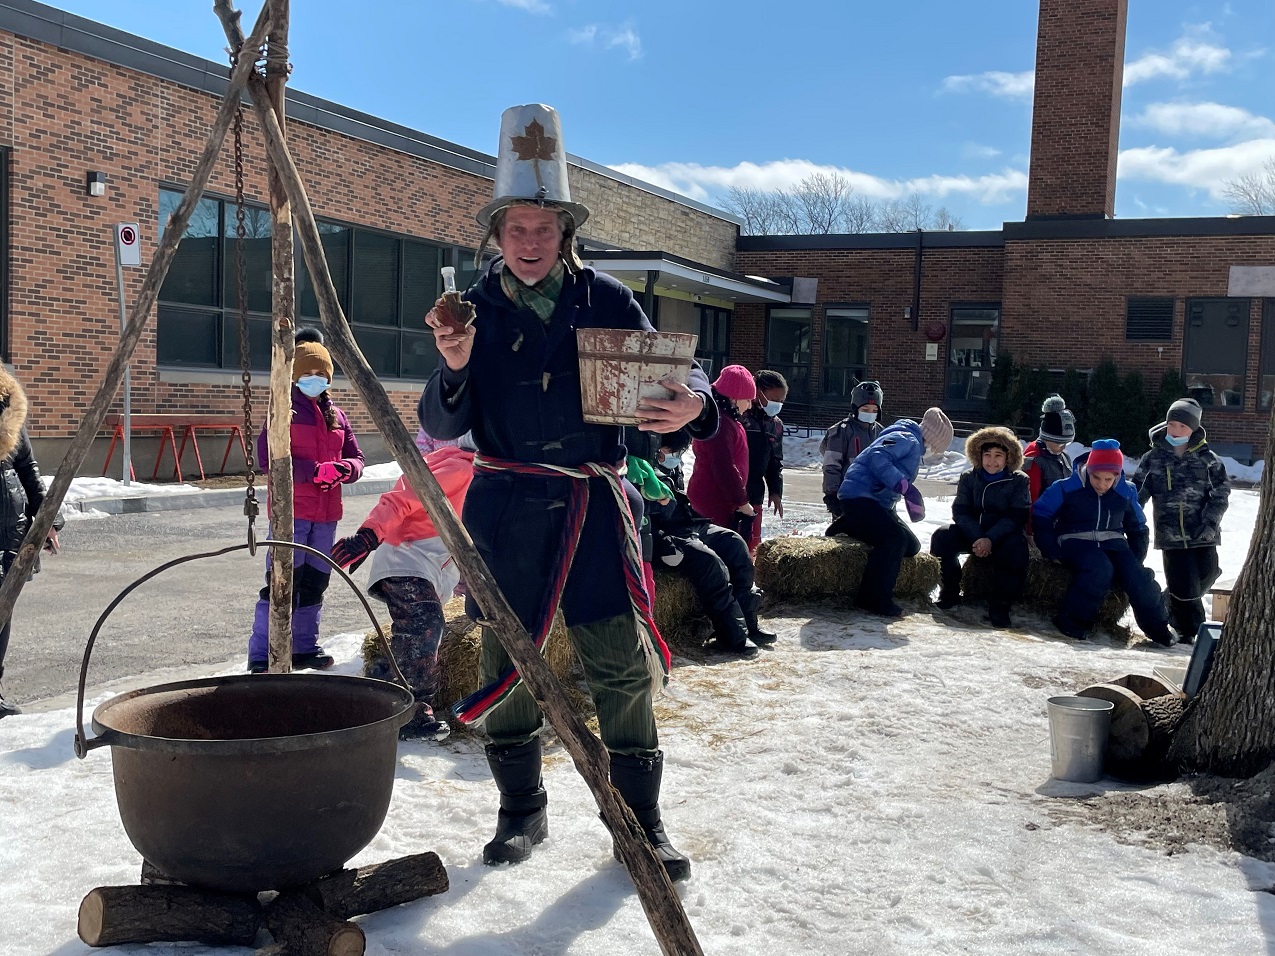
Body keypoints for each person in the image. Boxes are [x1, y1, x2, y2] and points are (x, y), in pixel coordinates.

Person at [418, 104, 715, 881]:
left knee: (618, 661)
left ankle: (640, 822)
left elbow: (678, 386)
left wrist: (698, 408)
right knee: (505, 662)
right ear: (496, 233)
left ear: (565, 234)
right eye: (515, 228)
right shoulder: (468, 313)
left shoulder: (609, 300)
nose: (528, 242)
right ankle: (521, 810)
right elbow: (439, 421)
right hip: (508, 510)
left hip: (592, 510)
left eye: (542, 229)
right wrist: (453, 366)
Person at [330, 438, 477, 741]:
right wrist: (368, 536)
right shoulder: (460, 469)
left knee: (412, 636)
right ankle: (412, 711)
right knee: (425, 626)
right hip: (407, 558)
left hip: (425, 562)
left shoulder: (472, 468)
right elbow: (402, 497)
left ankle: (378, 686)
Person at [246, 327, 364, 674]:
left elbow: (357, 457)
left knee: (314, 583)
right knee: (282, 581)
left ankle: (304, 647)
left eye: (320, 374)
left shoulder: (337, 415)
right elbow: (270, 459)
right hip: (292, 513)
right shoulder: (282, 411)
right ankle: (262, 653)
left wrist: (346, 468)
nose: (314, 379)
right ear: (294, 376)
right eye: (306, 373)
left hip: (327, 514)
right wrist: (314, 471)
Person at [1032, 439, 1176, 646]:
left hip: (1114, 543)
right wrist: (1051, 549)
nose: (1101, 484)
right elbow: (1041, 515)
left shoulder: (1125, 492)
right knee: (1099, 568)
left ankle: (1159, 629)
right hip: (1075, 540)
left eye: (1108, 479)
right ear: (1088, 469)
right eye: (1096, 477)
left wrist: (1135, 558)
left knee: (1139, 578)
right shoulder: (1065, 488)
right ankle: (1071, 621)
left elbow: (1138, 528)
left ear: (1117, 475)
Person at [650, 429, 774, 657]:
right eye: (669, 450)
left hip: (685, 523)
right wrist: (662, 540)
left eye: (677, 451)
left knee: (734, 543)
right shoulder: (641, 466)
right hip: (663, 533)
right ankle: (732, 635)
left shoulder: (670, 464)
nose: (674, 455)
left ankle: (749, 623)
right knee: (709, 562)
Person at [826, 407, 954, 618]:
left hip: (878, 503)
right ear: (930, 439)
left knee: (911, 546)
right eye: (935, 447)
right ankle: (873, 598)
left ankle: (850, 524)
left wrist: (903, 495)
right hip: (860, 496)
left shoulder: (911, 442)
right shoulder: (907, 439)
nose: (932, 451)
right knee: (893, 540)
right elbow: (877, 456)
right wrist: (902, 485)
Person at [1132, 398, 1230, 645]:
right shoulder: (1153, 458)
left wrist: (1210, 523)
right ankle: (1191, 633)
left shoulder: (1209, 460)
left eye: (1182, 427)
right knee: (1184, 585)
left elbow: (1220, 494)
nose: (1175, 431)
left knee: (1208, 572)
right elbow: (1138, 492)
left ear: (1194, 429)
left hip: (1203, 533)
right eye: (1172, 424)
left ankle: (1167, 604)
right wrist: (1130, 516)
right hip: (1171, 535)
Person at [0, 368, 60, 719]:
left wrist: (48, 521)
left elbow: (27, 469)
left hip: (9, 531)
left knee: (2, 612)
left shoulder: (7, 404)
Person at [930, 426, 1030, 628]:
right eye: (987, 455)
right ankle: (949, 591)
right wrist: (977, 537)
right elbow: (961, 510)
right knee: (942, 537)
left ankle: (1000, 605)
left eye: (998, 455)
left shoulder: (1019, 480)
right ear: (979, 455)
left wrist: (990, 538)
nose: (992, 461)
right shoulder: (969, 477)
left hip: (1002, 535)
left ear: (1008, 457)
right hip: (973, 533)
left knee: (1017, 551)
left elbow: (1017, 515)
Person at [687, 365, 756, 539]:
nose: (749, 406)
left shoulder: (729, 422)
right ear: (734, 398)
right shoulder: (722, 424)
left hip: (721, 499)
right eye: (747, 400)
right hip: (713, 501)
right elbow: (724, 465)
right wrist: (741, 501)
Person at [821, 381, 884, 518]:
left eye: (874, 410)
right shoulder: (842, 431)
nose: (870, 414)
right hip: (847, 496)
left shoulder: (880, 432)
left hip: (874, 497)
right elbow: (831, 465)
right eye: (865, 410)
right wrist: (831, 494)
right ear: (855, 408)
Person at [741, 369, 787, 556]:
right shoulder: (742, 417)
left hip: (755, 491)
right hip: (735, 488)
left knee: (753, 543)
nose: (778, 404)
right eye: (774, 399)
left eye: (782, 401)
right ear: (758, 392)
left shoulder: (775, 424)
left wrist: (776, 491)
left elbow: (775, 461)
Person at [1022, 393, 1075, 536]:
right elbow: (1030, 498)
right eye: (1058, 443)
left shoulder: (1063, 457)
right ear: (1045, 437)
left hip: (1062, 522)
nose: (1062, 447)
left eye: (1066, 443)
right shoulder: (1034, 460)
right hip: (1042, 524)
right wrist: (1030, 530)